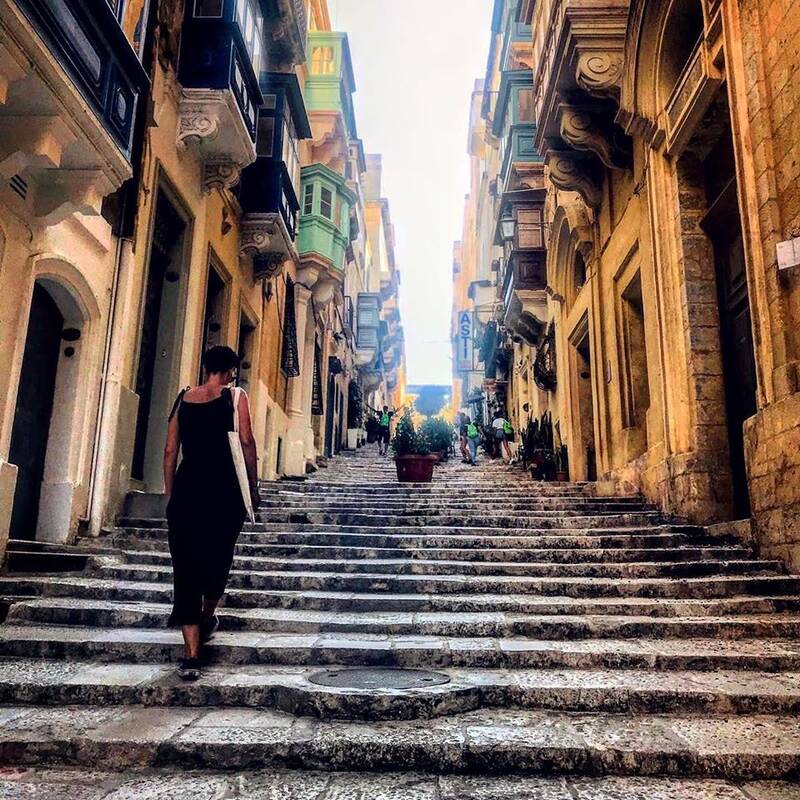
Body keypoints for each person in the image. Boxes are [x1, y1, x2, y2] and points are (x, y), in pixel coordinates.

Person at [163, 345, 259, 681]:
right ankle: (206, 616)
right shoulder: (236, 396)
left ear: (205, 367)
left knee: (185, 569)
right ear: (231, 370)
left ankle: (191, 654)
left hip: (187, 492)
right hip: (224, 493)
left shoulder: (183, 398)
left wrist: (171, 496)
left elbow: (170, 450)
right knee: (219, 557)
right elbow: (247, 442)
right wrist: (253, 487)